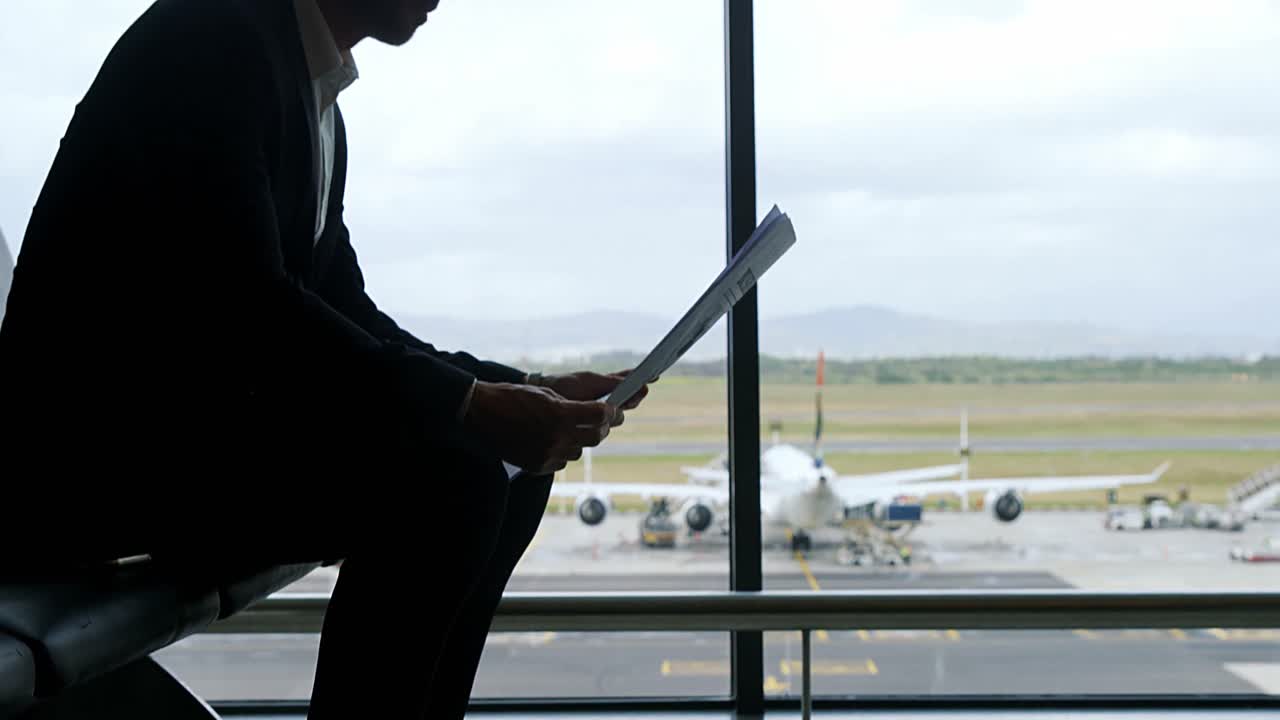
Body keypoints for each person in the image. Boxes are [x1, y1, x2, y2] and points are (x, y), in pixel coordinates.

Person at [0, 0, 650, 717]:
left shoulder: (299, 81)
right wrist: (470, 403)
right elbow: (251, 310)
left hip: (179, 442)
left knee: (502, 463)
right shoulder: (214, 41)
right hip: (90, 466)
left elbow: (343, 311)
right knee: (452, 476)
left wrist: (516, 387)